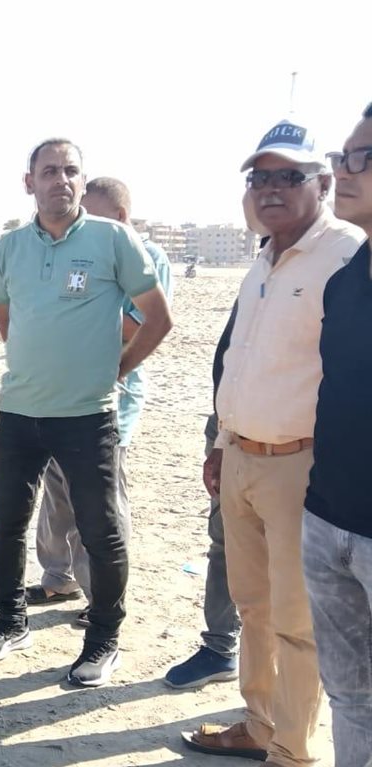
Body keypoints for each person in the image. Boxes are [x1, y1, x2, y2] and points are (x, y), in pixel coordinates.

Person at [182, 120, 363, 767]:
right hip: (241, 459)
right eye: (260, 178)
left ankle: (292, 758)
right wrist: (222, 441)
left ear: (322, 182)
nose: (271, 189)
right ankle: (259, 723)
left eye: (289, 176)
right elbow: (242, 359)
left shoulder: (345, 254)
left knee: (296, 621)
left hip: (301, 467)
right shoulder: (263, 260)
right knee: (252, 604)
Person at [0, 139, 172, 687]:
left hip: (88, 415)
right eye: (49, 171)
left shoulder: (113, 239)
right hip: (19, 411)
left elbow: (157, 319)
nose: (59, 180)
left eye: (70, 171)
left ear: (82, 182)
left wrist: (117, 368)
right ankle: (10, 622)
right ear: (29, 182)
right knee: (7, 525)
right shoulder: (11, 246)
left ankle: (103, 640)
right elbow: (6, 320)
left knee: (101, 531)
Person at [245, 104, 372, 767]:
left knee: (318, 649)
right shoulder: (330, 269)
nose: (347, 168)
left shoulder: (341, 253)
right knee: (347, 686)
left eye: (359, 157)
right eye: (260, 176)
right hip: (319, 502)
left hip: (324, 491)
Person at [25, 176, 173, 631]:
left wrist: (85, 310)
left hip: (107, 399)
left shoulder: (146, 257)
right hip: (57, 394)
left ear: (121, 218)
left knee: (99, 502)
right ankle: (59, 577)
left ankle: (104, 594)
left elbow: (143, 325)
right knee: (57, 491)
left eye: (92, 216)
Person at [164, 190, 267, 690]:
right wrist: (221, 437)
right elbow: (232, 358)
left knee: (291, 565)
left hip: (295, 449)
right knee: (225, 544)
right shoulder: (261, 268)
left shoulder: (335, 262)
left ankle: (274, 688)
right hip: (232, 432)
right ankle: (220, 648)